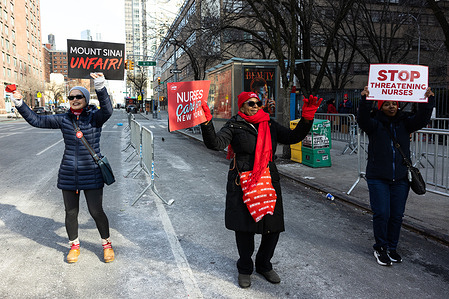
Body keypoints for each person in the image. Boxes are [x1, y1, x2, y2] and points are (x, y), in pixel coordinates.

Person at [200, 91, 321, 288]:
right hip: (242, 181)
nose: (255, 106)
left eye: (258, 102)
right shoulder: (234, 124)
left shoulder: (269, 123)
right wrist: (206, 122)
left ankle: (264, 265)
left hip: (268, 179)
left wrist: (307, 118)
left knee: (272, 227)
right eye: (250, 103)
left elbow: (292, 137)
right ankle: (245, 267)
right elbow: (215, 143)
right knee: (244, 228)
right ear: (241, 106)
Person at [10, 73, 115, 264]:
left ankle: (106, 245)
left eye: (78, 96)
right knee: (70, 212)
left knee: (96, 211)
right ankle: (74, 246)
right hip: (69, 174)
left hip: (91, 172)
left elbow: (107, 110)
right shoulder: (63, 119)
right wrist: (20, 104)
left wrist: (100, 86)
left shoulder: (95, 118)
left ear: (86, 99)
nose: (74, 100)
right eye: (71, 97)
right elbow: (37, 120)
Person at [357, 86, 434, 266]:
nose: (391, 107)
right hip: (377, 178)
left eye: (394, 104)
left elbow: (423, 118)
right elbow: (362, 119)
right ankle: (380, 248)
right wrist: (365, 100)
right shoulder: (374, 124)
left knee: (397, 215)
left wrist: (428, 101)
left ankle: (392, 248)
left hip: (400, 179)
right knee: (382, 213)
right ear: (380, 106)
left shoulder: (405, 123)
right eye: (387, 104)